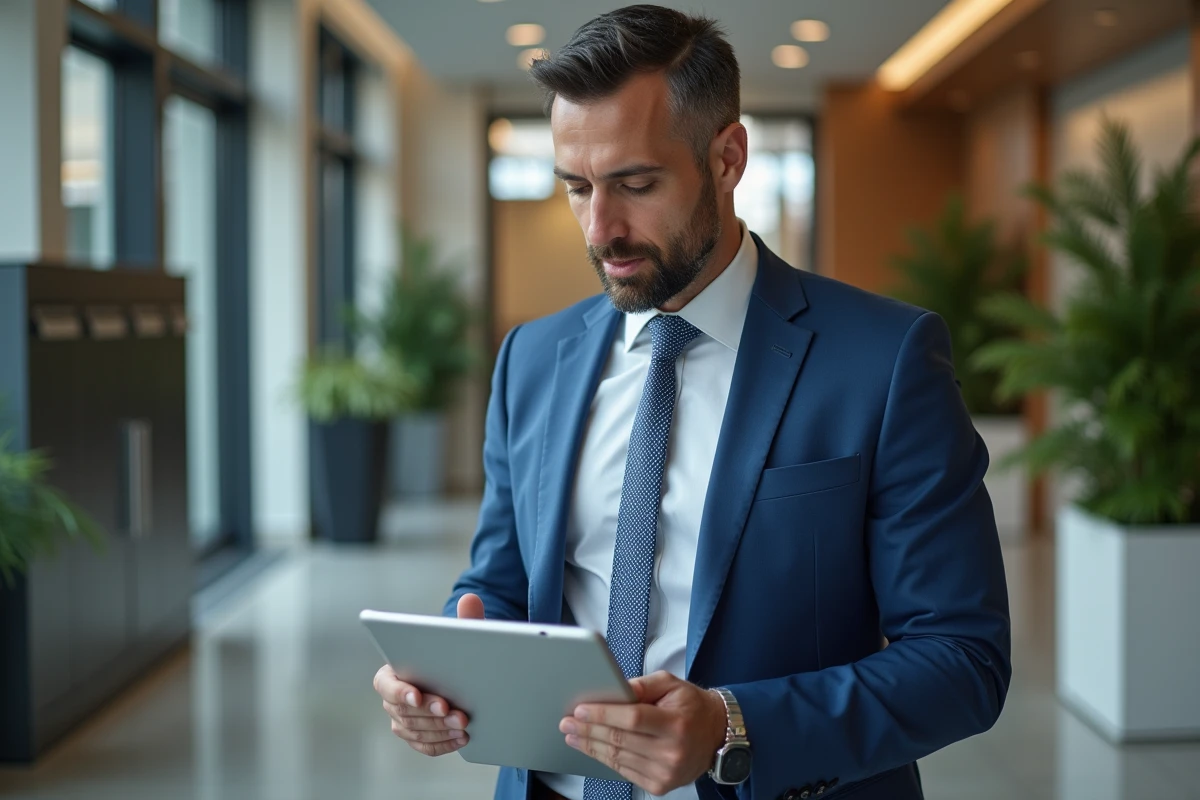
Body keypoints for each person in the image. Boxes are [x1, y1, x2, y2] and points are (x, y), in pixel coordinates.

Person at [373, 5, 1011, 800]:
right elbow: (500, 583)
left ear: (728, 158)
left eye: (636, 184)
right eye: (577, 188)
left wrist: (732, 726)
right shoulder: (530, 360)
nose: (600, 229)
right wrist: (440, 675)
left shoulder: (885, 360)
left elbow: (962, 658)